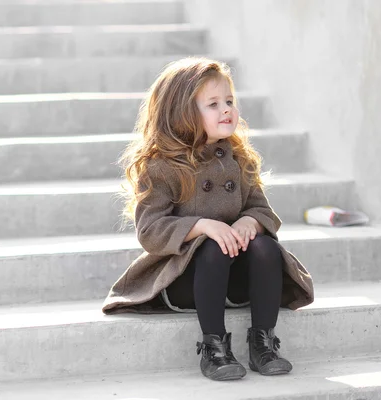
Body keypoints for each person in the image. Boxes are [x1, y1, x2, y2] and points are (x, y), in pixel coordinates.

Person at [102, 57, 314, 381]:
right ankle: (214, 348)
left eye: (229, 101)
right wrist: (201, 226)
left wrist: (250, 223)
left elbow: (262, 209)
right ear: (182, 112)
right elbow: (150, 230)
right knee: (212, 249)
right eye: (212, 104)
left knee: (268, 248)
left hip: (235, 279)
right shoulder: (162, 166)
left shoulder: (237, 159)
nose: (226, 109)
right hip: (187, 280)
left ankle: (263, 342)